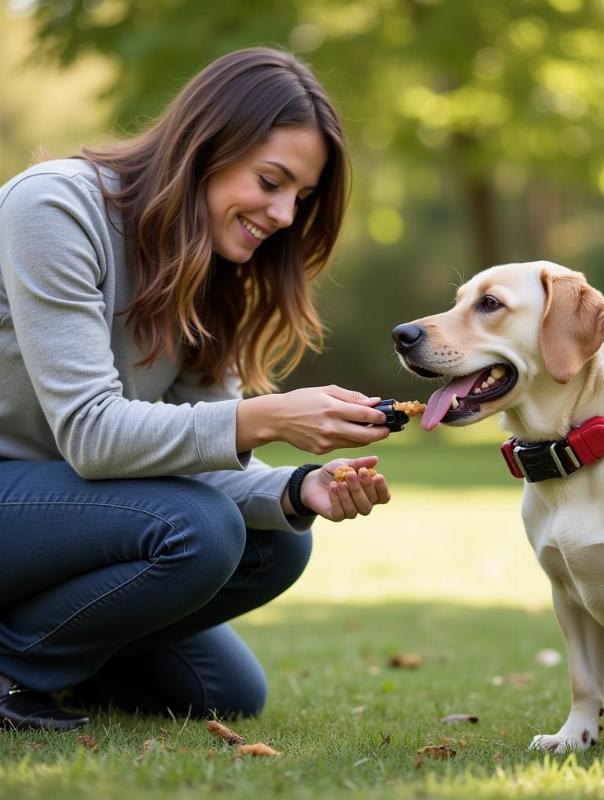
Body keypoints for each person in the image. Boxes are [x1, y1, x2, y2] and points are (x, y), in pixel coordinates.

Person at [0, 47, 393, 731]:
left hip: (68, 517)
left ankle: (47, 654)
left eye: (299, 198)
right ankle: (14, 672)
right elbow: (94, 436)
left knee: (264, 573)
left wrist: (298, 489)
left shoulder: (209, 267)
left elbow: (192, 450)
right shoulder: (54, 206)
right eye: (271, 181)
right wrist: (264, 417)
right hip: (21, 492)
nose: (283, 215)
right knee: (198, 529)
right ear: (207, 144)